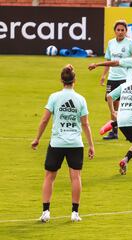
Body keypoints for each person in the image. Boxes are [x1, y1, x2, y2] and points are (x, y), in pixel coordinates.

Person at [31, 65, 95, 222]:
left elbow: (45, 119)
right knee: (75, 177)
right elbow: (85, 124)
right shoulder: (80, 99)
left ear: (61, 80)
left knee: (49, 177)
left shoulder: (54, 97)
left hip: (57, 143)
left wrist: (37, 138)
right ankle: (75, 213)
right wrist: (91, 145)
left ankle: (46, 212)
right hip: (75, 143)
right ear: (75, 81)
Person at [100, 19, 132, 140]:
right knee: (113, 106)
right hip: (112, 78)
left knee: (124, 106)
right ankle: (114, 132)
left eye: (123, 30)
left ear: (126, 31)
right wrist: (103, 76)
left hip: (125, 78)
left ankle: (130, 132)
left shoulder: (130, 43)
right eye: (118, 30)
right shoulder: (111, 43)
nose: (120, 32)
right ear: (114, 31)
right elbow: (108, 60)